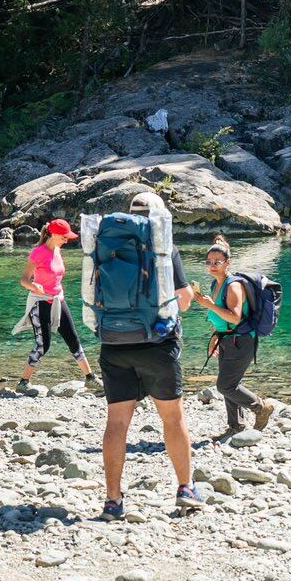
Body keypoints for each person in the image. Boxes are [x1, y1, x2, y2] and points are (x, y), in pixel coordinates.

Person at [93, 192, 200, 520]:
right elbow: (181, 302)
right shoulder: (162, 245)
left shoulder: (107, 243)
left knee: (117, 422)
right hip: (157, 344)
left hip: (113, 342)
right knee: (172, 418)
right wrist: (192, 293)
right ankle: (185, 489)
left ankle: (113, 500)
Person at [195, 236, 270, 438]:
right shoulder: (215, 284)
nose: (212, 266)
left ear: (228, 263)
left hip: (241, 341)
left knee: (225, 385)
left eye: (217, 262)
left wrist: (210, 305)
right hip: (226, 339)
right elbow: (220, 320)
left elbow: (235, 318)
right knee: (229, 382)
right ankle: (236, 426)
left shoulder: (233, 285)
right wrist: (213, 339)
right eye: (209, 262)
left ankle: (260, 407)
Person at [17, 219, 93, 383]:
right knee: (43, 345)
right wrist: (34, 286)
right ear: (54, 234)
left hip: (58, 299)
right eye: (64, 237)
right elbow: (24, 280)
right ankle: (23, 382)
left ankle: (90, 378)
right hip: (40, 301)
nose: (66, 240)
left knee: (73, 339)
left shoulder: (57, 250)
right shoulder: (38, 253)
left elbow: (56, 278)